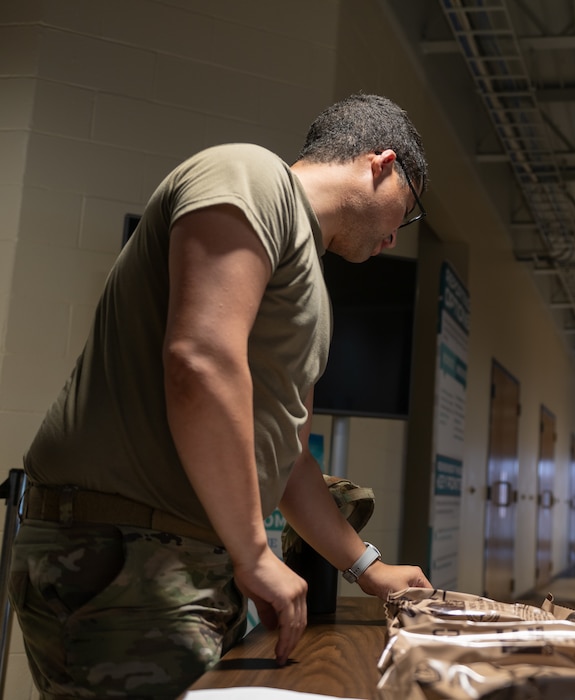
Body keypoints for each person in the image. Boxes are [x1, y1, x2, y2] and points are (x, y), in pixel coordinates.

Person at [10, 93, 434, 697]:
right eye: (407, 213)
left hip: (192, 561)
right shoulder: (252, 176)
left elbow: (289, 458)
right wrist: (256, 552)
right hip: (125, 551)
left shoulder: (311, 283)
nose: (397, 237)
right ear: (382, 164)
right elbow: (201, 359)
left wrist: (368, 567)